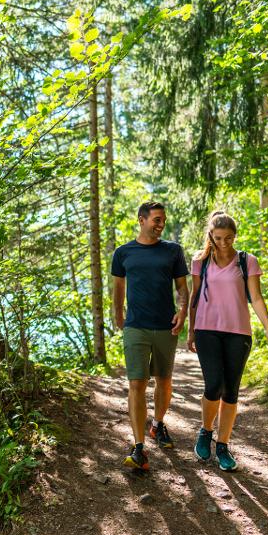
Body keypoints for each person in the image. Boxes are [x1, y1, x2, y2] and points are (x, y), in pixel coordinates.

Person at [187, 210, 268, 472]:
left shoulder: (246, 261)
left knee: (231, 391)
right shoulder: (200, 261)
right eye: (218, 238)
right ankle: (206, 431)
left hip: (238, 332)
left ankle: (223, 445)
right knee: (213, 384)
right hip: (207, 330)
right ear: (211, 236)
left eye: (228, 237)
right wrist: (191, 331)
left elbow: (256, 298)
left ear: (234, 236)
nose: (223, 242)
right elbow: (194, 298)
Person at [111, 201, 190, 471]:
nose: (160, 224)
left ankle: (157, 424)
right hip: (135, 326)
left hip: (166, 327)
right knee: (137, 384)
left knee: (164, 382)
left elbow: (182, 286)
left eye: (163, 220)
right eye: (156, 219)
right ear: (141, 220)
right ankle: (139, 447)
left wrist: (183, 311)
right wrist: (118, 316)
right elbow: (118, 287)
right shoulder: (123, 253)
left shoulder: (173, 251)